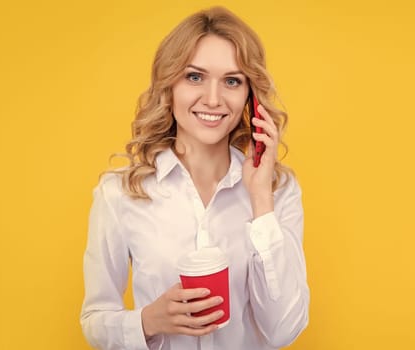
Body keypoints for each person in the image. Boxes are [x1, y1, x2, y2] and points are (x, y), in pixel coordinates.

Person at [80, 6, 309, 349]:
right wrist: (148, 321)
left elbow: (284, 329)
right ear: (169, 83)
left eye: (232, 81)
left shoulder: (279, 191)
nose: (213, 99)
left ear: (251, 97)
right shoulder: (120, 192)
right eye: (195, 76)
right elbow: (94, 319)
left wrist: (261, 200)